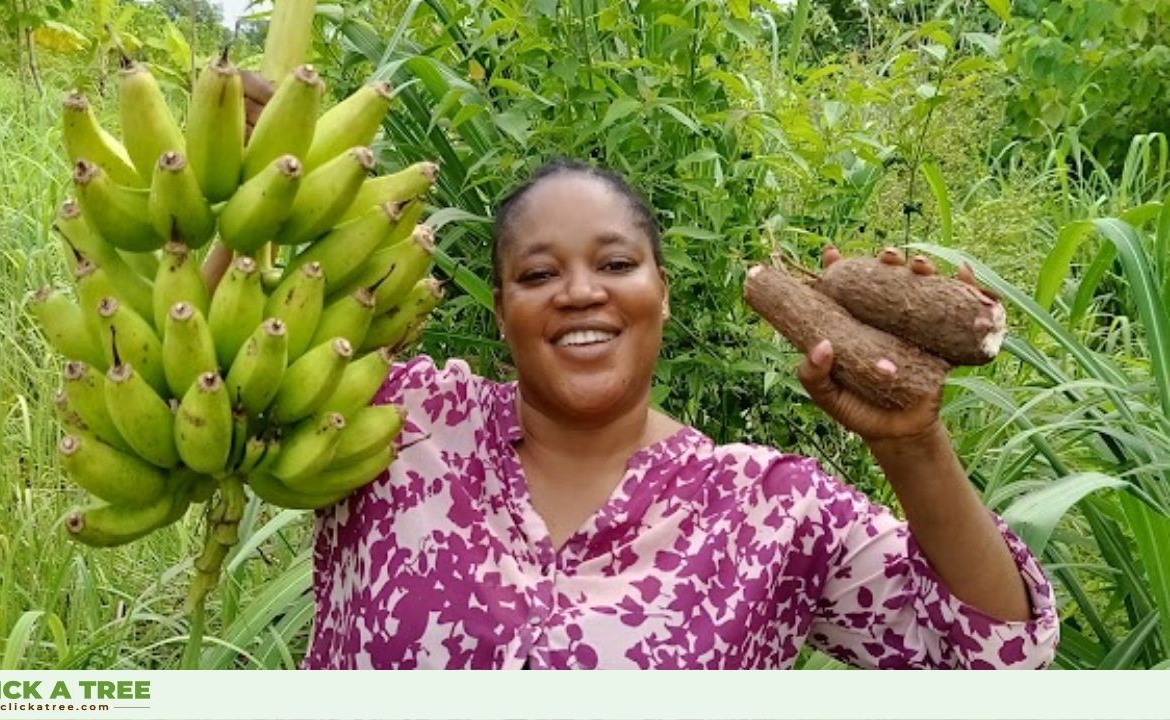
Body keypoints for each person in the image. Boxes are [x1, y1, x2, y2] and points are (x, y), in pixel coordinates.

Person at [212, 80, 1058, 670]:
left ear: (662, 294)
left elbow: (996, 655)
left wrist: (915, 443)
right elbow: (214, 377)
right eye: (538, 276)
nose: (580, 291)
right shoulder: (403, 420)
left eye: (615, 263)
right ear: (501, 312)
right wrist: (246, 194)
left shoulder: (768, 510)